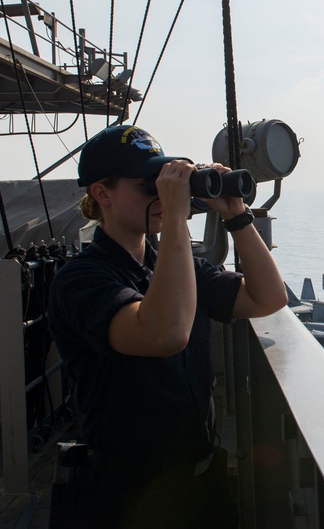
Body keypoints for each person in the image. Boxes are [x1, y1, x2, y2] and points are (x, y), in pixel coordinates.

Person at [48, 125, 288, 528]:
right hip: (128, 497)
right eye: (150, 185)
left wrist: (237, 216)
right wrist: (177, 216)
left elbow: (267, 298)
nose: (163, 195)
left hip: (198, 480)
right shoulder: (81, 281)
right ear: (101, 194)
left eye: (167, 183)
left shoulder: (178, 267)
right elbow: (163, 334)